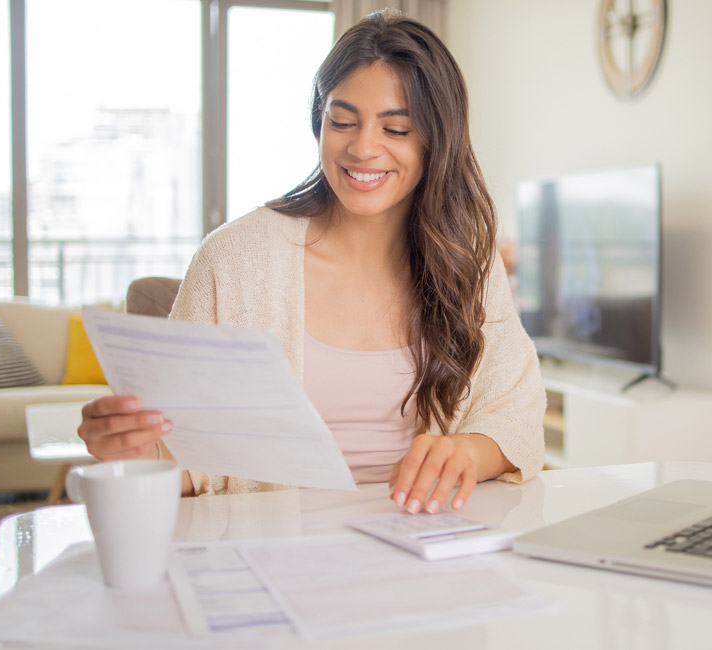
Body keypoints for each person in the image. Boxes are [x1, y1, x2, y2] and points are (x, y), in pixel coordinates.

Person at [77, 10, 546, 515]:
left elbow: (515, 409)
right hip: (275, 552)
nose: (363, 147)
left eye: (396, 128)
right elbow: (193, 454)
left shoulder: (464, 257)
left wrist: (466, 454)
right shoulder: (234, 261)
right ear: (318, 119)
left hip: (426, 545)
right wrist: (135, 449)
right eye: (342, 121)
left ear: (438, 141)